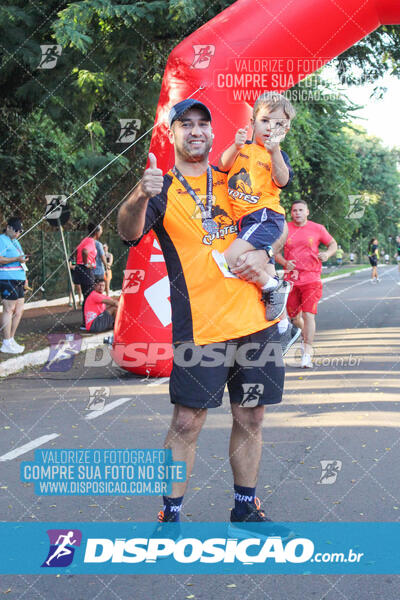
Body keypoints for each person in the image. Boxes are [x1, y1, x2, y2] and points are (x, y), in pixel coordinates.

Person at [118, 98, 290, 536]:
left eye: (203, 124)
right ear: (172, 135)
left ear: (213, 134)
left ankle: (245, 510)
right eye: (186, 125)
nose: (196, 131)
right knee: (186, 421)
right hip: (202, 329)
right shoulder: (163, 190)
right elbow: (128, 231)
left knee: (251, 416)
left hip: (257, 322)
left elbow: (276, 217)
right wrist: (140, 193)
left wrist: (263, 251)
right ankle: (170, 517)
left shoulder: (232, 176)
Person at [212, 92, 294, 321]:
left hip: (265, 217)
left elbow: (282, 180)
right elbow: (222, 165)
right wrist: (236, 147)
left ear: (285, 131)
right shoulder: (244, 149)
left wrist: (275, 151)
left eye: (279, 125)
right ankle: (283, 326)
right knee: (266, 268)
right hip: (246, 220)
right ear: (252, 123)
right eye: (265, 121)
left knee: (229, 259)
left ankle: (273, 287)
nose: (270, 128)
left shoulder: (278, 155)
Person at [275, 200, 337, 369]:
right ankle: (303, 338)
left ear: (307, 212)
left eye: (301, 210)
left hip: (312, 278)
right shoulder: (285, 228)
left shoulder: (317, 228)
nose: (297, 213)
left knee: (309, 315)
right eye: (294, 210)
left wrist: (328, 254)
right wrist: (284, 262)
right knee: (295, 318)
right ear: (291, 213)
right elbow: (275, 251)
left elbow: (333, 244)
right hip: (291, 280)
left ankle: (307, 354)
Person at [0, 217, 28, 354]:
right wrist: (16, 259)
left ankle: (11, 339)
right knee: (9, 309)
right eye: (16, 230)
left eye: (20, 231)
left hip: (19, 278)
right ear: (9, 227)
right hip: (7, 278)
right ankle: (6, 342)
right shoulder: (1, 240)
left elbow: (21, 259)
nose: (18, 234)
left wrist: (25, 278)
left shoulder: (16, 241)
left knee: (19, 310)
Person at [75, 224, 103, 327]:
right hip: (86, 271)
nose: (101, 232)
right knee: (90, 296)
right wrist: (86, 263)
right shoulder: (91, 241)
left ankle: (86, 321)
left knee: (87, 296)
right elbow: (84, 251)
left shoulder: (85, 240)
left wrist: (76, 264)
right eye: (101, 230)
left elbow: (76, 250)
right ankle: (89, 322)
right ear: (97, 232)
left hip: (81, 270)